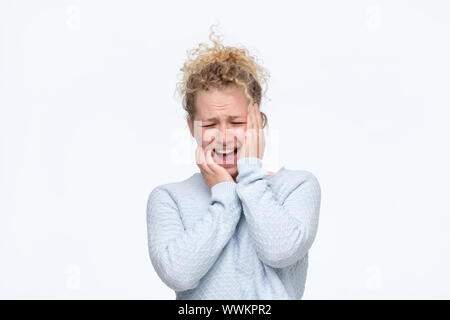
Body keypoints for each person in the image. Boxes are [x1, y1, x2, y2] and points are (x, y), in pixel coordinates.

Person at [146, 25, 321, 300]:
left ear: (259, 122)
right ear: (192, 127)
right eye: (211, 124)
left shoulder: (297, 186)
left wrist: (250, 174)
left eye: (237, 122)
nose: (225, 137)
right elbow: (179, 275)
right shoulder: (169, 198)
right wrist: (224, 196)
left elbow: (280, 251)